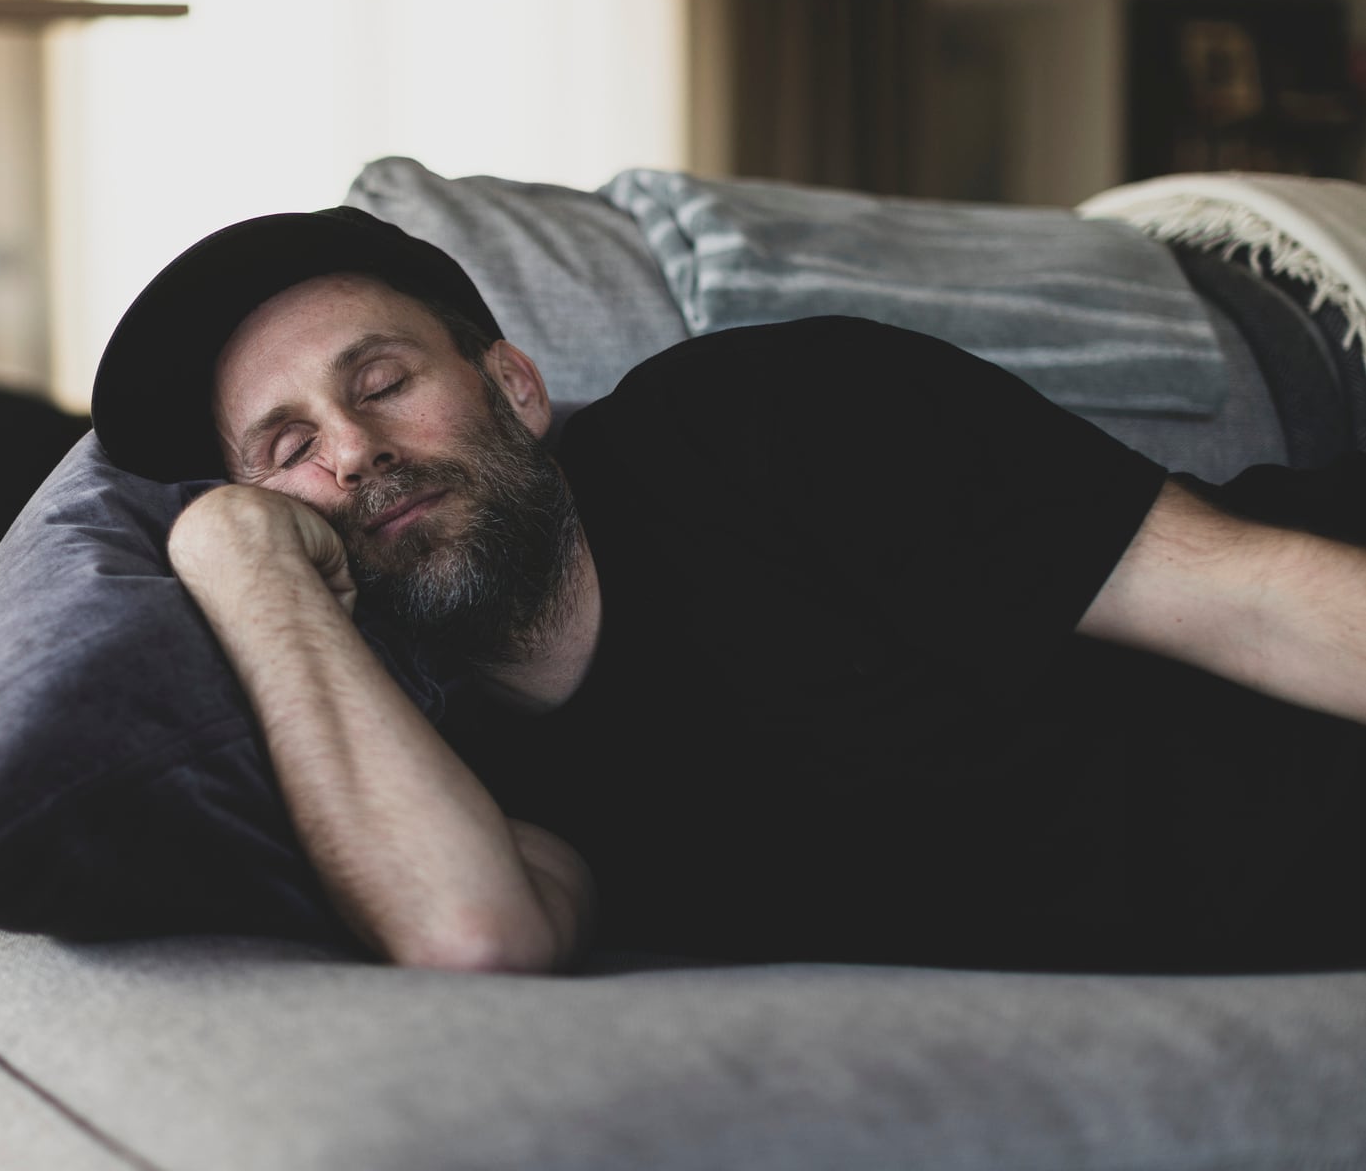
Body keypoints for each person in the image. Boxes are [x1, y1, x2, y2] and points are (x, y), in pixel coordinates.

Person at [88, 206, 1366, 977]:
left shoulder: (769, 420)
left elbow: (1253, 597)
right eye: (287, 448)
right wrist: (242, 570)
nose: (354, 453)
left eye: (380, 383)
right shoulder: (461, 773)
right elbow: (472, 938)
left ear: (515, 390)